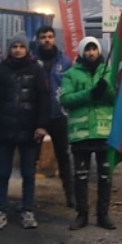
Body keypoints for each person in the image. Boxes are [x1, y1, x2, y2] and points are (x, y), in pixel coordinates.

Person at [0, 32, 50, 230]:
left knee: (28, 173)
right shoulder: (0, 70)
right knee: (2, 172)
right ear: (9, 49)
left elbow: (44, 100)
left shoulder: (36, 70)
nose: (18, 50)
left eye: (21, 46)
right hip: (4, 129)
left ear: (27, 49)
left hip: (29, 130)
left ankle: (27, 210)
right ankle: (0, 211)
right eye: (14, 47)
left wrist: (42, 125)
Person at [60, 37, 118, 230]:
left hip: (104, 132)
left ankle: (103, 215)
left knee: (105, 176)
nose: (91, 53)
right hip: (81, 134)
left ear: (99, 51)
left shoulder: (109, 72)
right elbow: (66, 99)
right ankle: (81, 214)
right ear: (81, 52)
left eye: (94, 49)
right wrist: (90, 94)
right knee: (80, 176)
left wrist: (106, 89)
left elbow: (116, 98)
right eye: (87, 49)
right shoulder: (70, 74)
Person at [34, 25, 74, 207]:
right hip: (36, 117)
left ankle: (71, 196)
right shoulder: (32, 61)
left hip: (59, 115)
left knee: (63, 157)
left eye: (50, 37)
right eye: (43, 37)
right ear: (38, 40)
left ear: (55, 39)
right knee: (31, 159)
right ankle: (28, 199)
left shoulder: (64, 62)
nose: (47, 40)